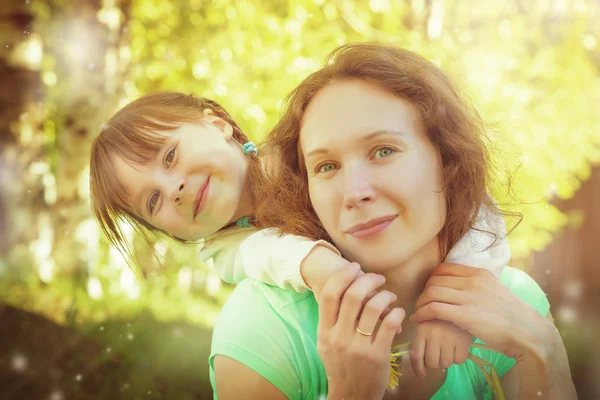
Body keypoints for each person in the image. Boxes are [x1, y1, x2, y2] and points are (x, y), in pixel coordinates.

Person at [210, 43, 577, 399]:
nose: (354, 193)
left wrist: (545, 353)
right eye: (326, 166)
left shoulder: (514, 305)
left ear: (448, 161)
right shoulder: (264, 328)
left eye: (383, 151)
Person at [89, 91, 510, 376]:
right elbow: (268, 252)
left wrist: (451, 309)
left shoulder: (308, 152)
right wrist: (316, 265)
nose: (173, 189)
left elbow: (475, 205)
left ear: (217, 125)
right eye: (152, 202)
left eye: (171, 156)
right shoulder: (226, 250)